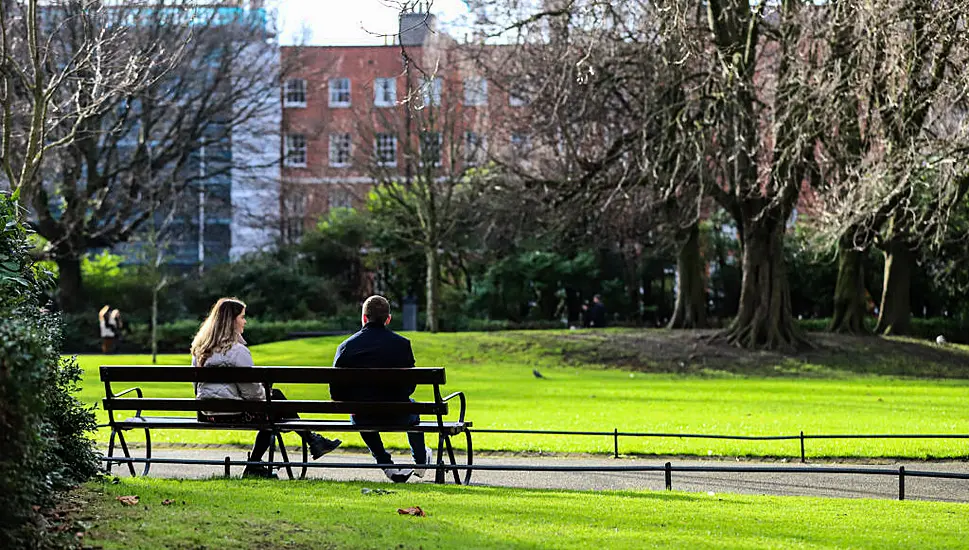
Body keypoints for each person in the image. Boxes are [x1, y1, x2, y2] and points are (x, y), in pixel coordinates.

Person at [191, 297, 342, 478]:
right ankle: (307, 442)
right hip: (235, 413)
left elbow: (197, 385)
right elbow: (253, 395)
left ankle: (311, 441)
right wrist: (266, 394)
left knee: (274, 400)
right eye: (242, 317)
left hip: (208, 413)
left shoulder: (200, 350)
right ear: (231, 321)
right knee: (273, 404)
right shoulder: (237, 351)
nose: (245, 321)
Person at [330, 295, 432, 483]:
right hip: (398, 413)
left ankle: (386, 464)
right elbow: (410, 387)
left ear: (364, 318)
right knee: (413, 408)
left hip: (363, 416)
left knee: (358, 412)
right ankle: (420, 461)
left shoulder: (346, 347)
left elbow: (336, 393)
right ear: (388, 319)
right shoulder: (402, 344)